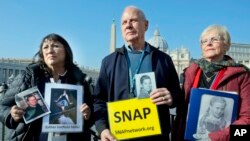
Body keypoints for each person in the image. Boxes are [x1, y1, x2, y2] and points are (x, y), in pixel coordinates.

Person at [93, 6, 181, 141]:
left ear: (145, 25)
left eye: (133, 20)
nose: (128, 26)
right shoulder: (108, 62)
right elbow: (98, 100)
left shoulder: (164, 60)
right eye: (124, 22)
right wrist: (102, 128)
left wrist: (171, 98)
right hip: (119, 136)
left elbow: (177, 95)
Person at [0, 33, 94, 141]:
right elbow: (3, 106)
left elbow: (91, 114)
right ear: (42, 54)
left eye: (55, 46)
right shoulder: (28, 77)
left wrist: (88, 114)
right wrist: (11, 114)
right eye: (45, 47)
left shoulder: (79, 80)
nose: (49, 50)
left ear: (66, 51)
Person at [173, 25, 250, 141]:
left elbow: (247, 120)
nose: (208, 43)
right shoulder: (190, 71)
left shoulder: (242, 75)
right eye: (204, 41)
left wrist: (216, 138)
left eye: (214, 39)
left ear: (226, 45)